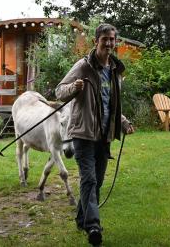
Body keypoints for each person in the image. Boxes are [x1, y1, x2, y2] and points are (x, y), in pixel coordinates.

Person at [55, 23, 135, 246]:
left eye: (112, 39)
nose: (109, 43)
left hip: (104, 136)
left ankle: (82, 218)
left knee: (96, 181)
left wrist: (124, 123)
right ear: (96, 41)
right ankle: (93, 227)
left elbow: (110, 105)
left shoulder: (114, 70)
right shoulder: (83, 67)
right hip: (83, 134)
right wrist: (74, 88)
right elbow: (59, 91)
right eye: (105, 39)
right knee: (88, 179)